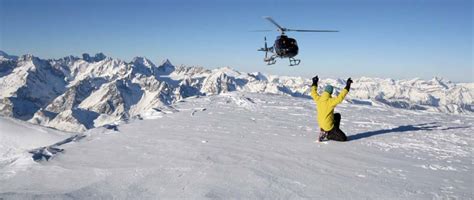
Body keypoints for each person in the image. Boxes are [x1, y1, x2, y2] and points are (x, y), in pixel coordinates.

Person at [310, 75, 353, 142]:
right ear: (331, 93)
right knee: (343, 138)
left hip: (321, 124)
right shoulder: (330, 101)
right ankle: (329, 134)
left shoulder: (318, 99)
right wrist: (348, 86)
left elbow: (313, 93)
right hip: (328, 125)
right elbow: (340, 97)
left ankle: (324, 131)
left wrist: (314, 82)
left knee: (337, 115)